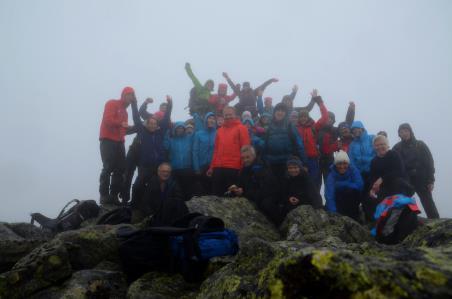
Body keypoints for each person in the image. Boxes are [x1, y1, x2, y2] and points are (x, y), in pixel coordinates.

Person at [130, 96, 172, 204]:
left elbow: (166, 118)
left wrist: (170, 104)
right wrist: (134, 103)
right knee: (137, 186)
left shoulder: (160, 133)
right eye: (150, 123)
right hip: (145, 166)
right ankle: (134, 207)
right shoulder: (142, 132)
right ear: (147, 124)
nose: (153, 125)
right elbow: (136, 117)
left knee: (156, 187)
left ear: (157, 125)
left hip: (158, 166)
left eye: (155, 124)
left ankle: (156, 207)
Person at [99, 87, 136, 205]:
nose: (132, 97)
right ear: (124, 95)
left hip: (120, 142)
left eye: (133, 95)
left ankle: (114, 195)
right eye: (129, 94)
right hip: (108, 140)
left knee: (120, 169)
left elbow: (123, 130)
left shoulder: (125, 112)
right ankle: (104, 195)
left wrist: (135, 128)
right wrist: (122, 124)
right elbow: (108, 120)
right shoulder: (112, 103)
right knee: (108, 167)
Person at [393, 123, 439, 219]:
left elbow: (429, 162)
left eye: (406, 131)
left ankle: (435, 222)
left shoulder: (420, 145)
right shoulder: (397, 148)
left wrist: (431, 180)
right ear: (399, 135)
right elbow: (391, 161)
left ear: (410, 132)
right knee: (403, 201)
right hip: (406, 179)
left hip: (421, 178)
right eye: (401, 132)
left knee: (427, 202)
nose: (404, 133)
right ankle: (406, 223)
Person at [227, 145, 281, 225]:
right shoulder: (244, 170)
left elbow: (266, 190)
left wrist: (244, 193)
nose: (245, 160)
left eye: (248, 157)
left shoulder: (262, 168)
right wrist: (235, 189)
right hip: (253, 196)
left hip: (267, 198)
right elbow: (240, 184)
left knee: (266, 204)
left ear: (254, 156)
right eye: (243, 158)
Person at [208, 106, 251, 196]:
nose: (228, 117)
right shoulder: (219, 131)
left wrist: (243, 167)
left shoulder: (241, 128)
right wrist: (212, 167)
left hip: (234, 168)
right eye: (226, 115)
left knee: (232, 197)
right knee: (216, 196)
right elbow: (216, 150)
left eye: (230, 114)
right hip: (218, 168)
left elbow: (246, 150)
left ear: (235, 115)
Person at [262, 103, 307, 179]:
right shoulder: (269, 127)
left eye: (282, 111)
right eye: (278, 110)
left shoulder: (290, 126)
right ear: (274, 112)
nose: (280, 113)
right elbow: (265, 145)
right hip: (271, 164)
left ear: (286, 113)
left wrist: (304, 163)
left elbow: (299, 145)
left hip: (288, 164)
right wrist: (264, 160)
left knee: (286, 189)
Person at [296, 89, 330, 190]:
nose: (303, 118)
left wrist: (318, 100)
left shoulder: (313, 127)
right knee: (300, 183)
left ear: (308, 117)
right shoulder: (295, 128)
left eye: (305, 116)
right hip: (299, 159)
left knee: (313, 183)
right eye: (301, 117)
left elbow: (325, 117)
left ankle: (314, 204)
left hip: (313, 159)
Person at [368, 135, 407, 220]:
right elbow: (372, 177)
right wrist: (372, 188)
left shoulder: (394, 154)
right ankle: (381, 221)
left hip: (396, 186)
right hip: (383, 189)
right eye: (377, 145)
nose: (380, 147)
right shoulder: (374, 161)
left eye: (382, 144)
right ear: (374, 147)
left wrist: (382, 179)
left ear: (387, 145)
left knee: (398, 182)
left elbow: (399, 171)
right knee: (373, 196)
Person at [318, 101, 355, 187]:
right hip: (317, 160)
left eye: (331, 118)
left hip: (329, 160)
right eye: (327, 118)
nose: (329, 120)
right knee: (316, 184)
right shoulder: (317, 129)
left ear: (333, 121)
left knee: (329, 183)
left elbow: (346, 124)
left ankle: (329, 199)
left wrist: (351, 110)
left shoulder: (334, 130)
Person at [280, 157, 323, 222]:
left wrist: (300, 200)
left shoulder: (306, 178)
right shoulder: (286, 178)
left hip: (305, 204)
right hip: (290, 204)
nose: (293, 170)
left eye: (295, 168)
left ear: (299, 168)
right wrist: (289, 198)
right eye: (290, 168)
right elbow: (283, 193)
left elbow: (313, 195)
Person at [325, 150, 364, 221]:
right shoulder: (331, 175)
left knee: (352, 191)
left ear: (348, 164)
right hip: (339, 202)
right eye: (339, 163)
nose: (342, 166)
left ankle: (355, 216)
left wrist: (342, 184)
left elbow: (360, 185)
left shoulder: (353, 170)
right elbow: (329, 195)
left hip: (352, 201)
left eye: (345, 163)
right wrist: (334, 213)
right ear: (335, 164)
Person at [164, 122, 194, 201]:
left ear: (184, 129)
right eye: (178, 128)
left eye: (181, 128)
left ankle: (189, 208)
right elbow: (166, 147)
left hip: (187, 168)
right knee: (177, 191)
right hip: (175, 169)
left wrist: (196, 118)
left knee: (188, 190)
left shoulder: (189, 138)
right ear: (175, 129)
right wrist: (166, 135)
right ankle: (178, 208)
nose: (180, 130)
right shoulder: (171, 140)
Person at [192, 112, 217, 195]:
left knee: (214, 189)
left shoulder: (218, 133)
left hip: (214, 165)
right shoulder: (198, 134)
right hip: (202, 165)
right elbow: (195, 151)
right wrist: (196, 167)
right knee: (203, 189)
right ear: (206, 120)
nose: (211, 120)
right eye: (209, 118)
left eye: (213, 118)